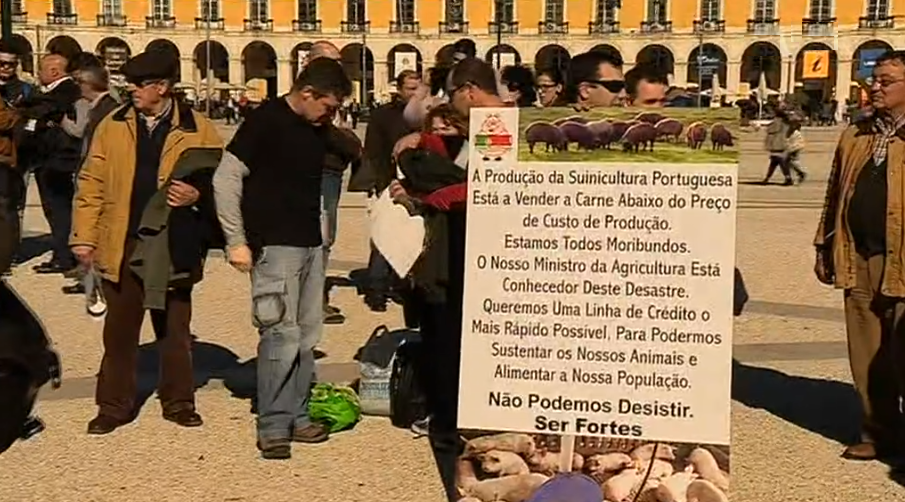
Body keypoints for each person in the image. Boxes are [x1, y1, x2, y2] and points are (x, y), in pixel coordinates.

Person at [69, 50, 223, 435]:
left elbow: (223, 182)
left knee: (174, 330)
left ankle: (179, 401)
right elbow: (90, 182)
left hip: (174, 243)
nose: (131, 90)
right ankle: (113, 405)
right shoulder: (112, 124)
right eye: (129, 83)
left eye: (139, 84)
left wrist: (197, 196)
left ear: (162, 87)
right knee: (119, 333)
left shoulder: (199, 128)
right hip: (122, 240)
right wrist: (83, 238)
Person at [213, 58, 352, 460]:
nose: (332, 114)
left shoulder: (317, 126)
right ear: (307, 94)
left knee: (307, 336)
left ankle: (299, 414)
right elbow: (225, 178)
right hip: (274, 247)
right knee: (279, 334)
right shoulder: (265, 121)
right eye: (328, 106)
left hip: (310, 243)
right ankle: (273, 425)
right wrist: (235, 240)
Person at [390, 57, 506, 501]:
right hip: (462, 251)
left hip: (483, 254)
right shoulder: (478, 126)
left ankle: (465, 430)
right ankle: (459, 426)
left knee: (463, 341)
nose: (451, 105)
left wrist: (429, 199)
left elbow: (488, 186)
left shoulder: (500, 123)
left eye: (454, 95)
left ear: (469, 90)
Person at [814, 49, 905, 462]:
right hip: (860, 256)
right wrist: (823, 244)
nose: (876, 86)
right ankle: (878, 431)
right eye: (875, 78)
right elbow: (835, 192)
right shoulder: (856, 134)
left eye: (887, 80)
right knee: (866, 354)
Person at [360, 69, 422, 312]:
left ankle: (405, 286)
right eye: (410, 89)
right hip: (387, 180)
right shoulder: (383, 115)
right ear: (399, 89)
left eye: (418, 88)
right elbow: (373, 149)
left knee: (411, 234)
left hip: (415, 181)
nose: (415, 94)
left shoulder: (423, 114)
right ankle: (376, 288)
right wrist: (380, 183)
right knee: (383, 233)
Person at [61, 66, 122, 295]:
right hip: (92, 171)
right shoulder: (100, 107)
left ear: (87, 84)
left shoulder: (107, 110)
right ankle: (89, 277)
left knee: (95, 228)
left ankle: (94, 280)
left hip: (99, 175)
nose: (77, 88)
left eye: (78, 84)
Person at [20, 54, 81, 276]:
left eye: (41, 69)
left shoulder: (66, 91)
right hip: (49, 158)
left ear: (54, 72)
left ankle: (64, 255)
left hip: (59, 159)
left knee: (59, 209)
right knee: (54, 208)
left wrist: (25, 108)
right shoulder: (52, 93)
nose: (38, 74)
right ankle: (63, 252)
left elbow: (43, 109)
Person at [762, 108, 792, 185]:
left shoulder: (777, 122)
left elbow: (771, 130)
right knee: (776, 163)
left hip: (777, 145)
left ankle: (787, 178)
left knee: (778, 163)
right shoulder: (785, 123)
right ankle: (767, 178)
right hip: (782, 144)